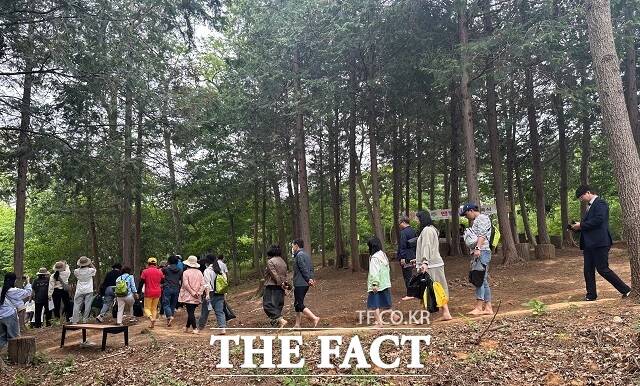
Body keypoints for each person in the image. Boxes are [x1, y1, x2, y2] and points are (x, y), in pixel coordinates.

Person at [571, 185, 632, 300]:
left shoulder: (601, 203)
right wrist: (577, 227)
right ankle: (591, 295)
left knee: (602, 269)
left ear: (588, 192)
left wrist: (582, 225)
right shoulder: (590, 206)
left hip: (600, 242)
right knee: (588, 270)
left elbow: (599, 220)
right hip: (589, 244)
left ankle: (626, 290)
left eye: (581, 197)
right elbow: (590, 224)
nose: (581, 200)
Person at [414, 211, 452, 321]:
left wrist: (424, 261)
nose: (416, 220)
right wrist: (418, 260)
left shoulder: (426, 230)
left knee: (430, 289)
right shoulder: (432, 230)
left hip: (431, 265)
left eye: (417, 218)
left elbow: (427, 246)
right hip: (434, 263)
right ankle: (445, 312)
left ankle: (424, 317)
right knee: (435, 289)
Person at [461, 203, 494, 316]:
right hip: (481, 251)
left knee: (479, 278)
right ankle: (488, 307)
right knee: (483, 280)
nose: (466, 217)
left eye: (466, 214)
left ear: (471, 211)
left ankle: (479, 307)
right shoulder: (477, 220)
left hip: (482, 251)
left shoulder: (482, 218)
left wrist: (477, 248)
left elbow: (482, 235)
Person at [292, 239, 320, 329]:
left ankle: (314, 318)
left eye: (293, 245)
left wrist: (309, 279)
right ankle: (297, 324)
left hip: (300, 283)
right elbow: (311, 268)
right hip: (305, 283)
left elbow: (303, 268)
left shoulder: (299, 255)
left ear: (296, 245)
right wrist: (311, 279)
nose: (292, 248)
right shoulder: (307, 255)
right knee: (297, 303)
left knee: (299, 304)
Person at [367, 237, 394, 329]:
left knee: (374, 304)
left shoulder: (374, 258)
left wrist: (374, 284)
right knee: (386, 302)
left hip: (377, 285)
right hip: (385, 283)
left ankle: (379, 323)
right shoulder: (383, 255)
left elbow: (374, 272)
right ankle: (394, 316)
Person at [198, 254, 229, 334]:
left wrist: (207, 295)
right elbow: (224, 282)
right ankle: (223, 329)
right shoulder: (220, 270)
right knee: (220, 311)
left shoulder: (207, 271)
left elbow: (207, 284)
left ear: (207, 262)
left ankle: (199, 328)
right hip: (220, 293)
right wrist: (225, 294)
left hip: (210, 294)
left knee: (205, 312)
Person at [0, 273, 32, 349]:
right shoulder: (13, 291)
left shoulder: (1, 290)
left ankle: (3, 356)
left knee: (1, 338)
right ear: (13, 280)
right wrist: (27, 282)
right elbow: (28, 292)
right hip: (10, 316)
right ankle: (15, 356)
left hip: (1, 317)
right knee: (14, 338)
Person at [263, 245, 289, 328]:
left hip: (272, 286)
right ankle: (276, 325)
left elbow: (274, 275)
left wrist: (280, 283)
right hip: (281, 286)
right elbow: (285, 275)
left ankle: (281, 320)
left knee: (267, 305)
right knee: (277, 305)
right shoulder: (283, 261)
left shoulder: (270, 261)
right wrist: (284, 285)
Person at [179, 255, 204, 334]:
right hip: (197, 296)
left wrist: (192, 293)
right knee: (191, 311)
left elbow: (186, 285)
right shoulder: (200, 272)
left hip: (188, 295)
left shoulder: (185, 272)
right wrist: (199, 293)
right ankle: (186, 327)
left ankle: (195, 328)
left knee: (190, 312)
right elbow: (203, 284)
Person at [139, 257, 164, 329]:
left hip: (148, 292)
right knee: (154, 308)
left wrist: (138, 292)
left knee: (147, 308)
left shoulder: (145, 271)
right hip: (157, 292)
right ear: (155, 264)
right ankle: (152, 324)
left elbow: (141, 283)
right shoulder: (159, 271)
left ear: (148, 264)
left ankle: (151, 318)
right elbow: (162, 281)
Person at [71, 256, 96, 324]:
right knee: (88, 304)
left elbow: (78, 273)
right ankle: (85, 320)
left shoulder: (76, 271)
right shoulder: (90, 270)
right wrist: (90, 263)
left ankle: (75, 321)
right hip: (89, 290)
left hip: (79, 290)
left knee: (76, 305)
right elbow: (95, 269)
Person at [397, 215, 417, 296]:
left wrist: (402, 257)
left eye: (400, 223)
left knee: (407, 275)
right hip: (413, 255)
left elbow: (402, 245)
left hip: (406, 257)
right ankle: (413, 290)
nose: (399, 225)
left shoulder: (403, 232)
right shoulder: (413, 231)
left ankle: (410, 293)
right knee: (411, 273)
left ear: (403, 222)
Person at [162, 255, 182, 326]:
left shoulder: (165, 269)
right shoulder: (180, 270)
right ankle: (169, 320)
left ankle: (169, 316)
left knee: (166, 304)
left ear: (169, 261)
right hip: (176, 288)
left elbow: (162, 276)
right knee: (173, 305)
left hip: (167, 287)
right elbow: (180, 279)